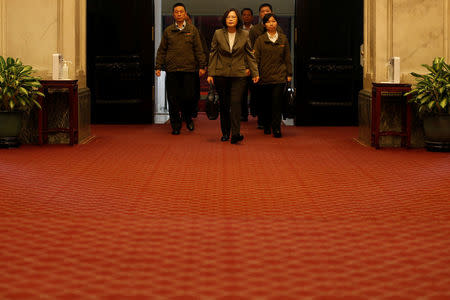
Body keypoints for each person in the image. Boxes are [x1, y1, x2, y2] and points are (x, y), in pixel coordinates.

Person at [207, 8, 259, 144]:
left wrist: (255, 72)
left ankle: (236, 133)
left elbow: (249, 54)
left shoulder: (245, 34)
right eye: (229, 17)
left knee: (236, 103)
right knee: (224, 104)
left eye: (233, 17)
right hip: (221, 73)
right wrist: (210, 73)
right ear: (225, 19)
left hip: (239, 74)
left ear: (238, 20)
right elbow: (213, 53)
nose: (231, 19)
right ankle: (225, 132)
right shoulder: (218, 33)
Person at [155, 3, 206, 135]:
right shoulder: (168, 31)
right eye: (176, 12)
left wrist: (202, 65)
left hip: (189, 70)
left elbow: (199, 49)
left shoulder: (192, 30)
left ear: (185, 14)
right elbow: (162, 50)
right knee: (173, 99)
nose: (178, 14)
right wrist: (158, 66)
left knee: (188, 97)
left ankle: (188, 119)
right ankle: (175, 125)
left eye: (181, 12)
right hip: (172, 69)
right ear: (173, 14)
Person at [254, 13, 292, 138]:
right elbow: (256, 59)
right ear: (265, 25)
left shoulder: (283, 39)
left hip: (279, 76)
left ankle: (276, 128)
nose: (271, 23)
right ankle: (266, 125)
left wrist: (289, 73)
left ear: (277, 23)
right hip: (264, 76)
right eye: (268, 22)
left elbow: (287, 58)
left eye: (274, 21)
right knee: (266, 104)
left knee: (277, 103)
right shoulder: (260, 40)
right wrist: (255, 73)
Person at [249, 3, 284, 129]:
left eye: (267, 11)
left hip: (277, 69)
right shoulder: (255, 30)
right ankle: (262, 120)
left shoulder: (278, 30)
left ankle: (274, 123)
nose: (265, 13)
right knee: (261, 98)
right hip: (260, 68)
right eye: (262, 11)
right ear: (259, 14)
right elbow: (251, 50)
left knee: (275, 100)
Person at [185, 13, 209, 118]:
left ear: (190, 21)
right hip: (180, 66)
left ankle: (193, 111)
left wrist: (203, 65)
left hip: (194, 66)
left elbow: (203, 49)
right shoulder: (173, 32)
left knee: (193, 90)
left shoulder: (196, 32)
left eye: (186, 20)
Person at [239, 8, 255, 122]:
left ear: (252, 17)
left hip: (254, 64)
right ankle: (243, 114)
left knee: (255, 90)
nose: (246, 17)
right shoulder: (238, 30)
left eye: (248, 15)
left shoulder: (256, 30)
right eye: (244, 15)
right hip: (241, 64)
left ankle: (254, 112)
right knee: (242, 92)